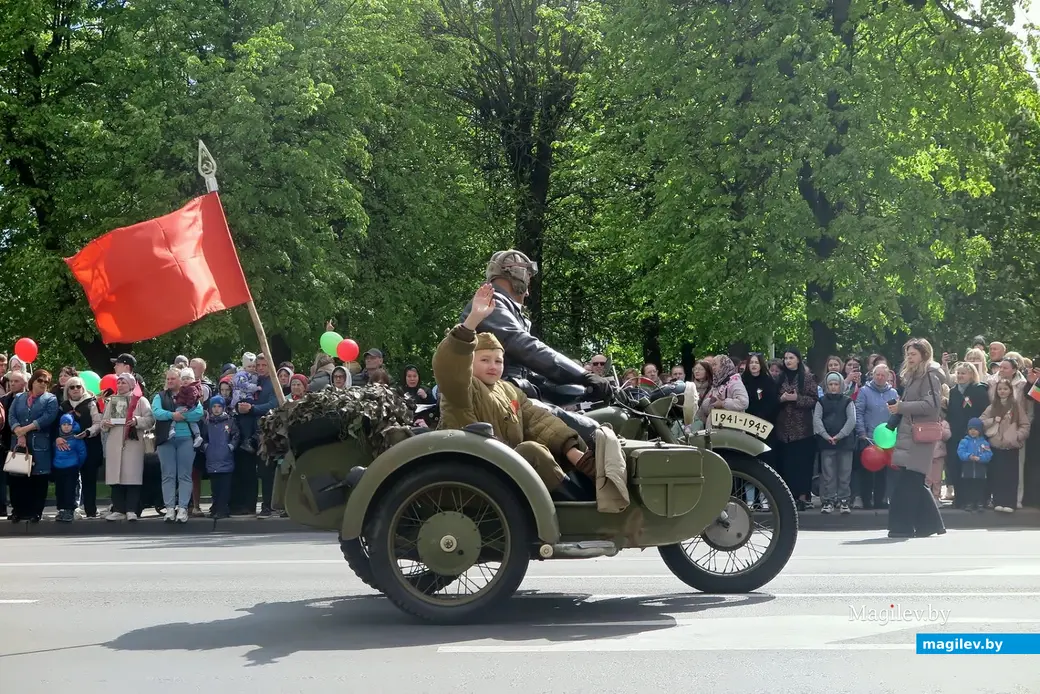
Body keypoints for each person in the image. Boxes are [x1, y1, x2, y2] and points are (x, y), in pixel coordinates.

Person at [436, 283, 594, 501]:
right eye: (484, 360)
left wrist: (573, 451)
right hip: (471, 467)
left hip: (501, 467)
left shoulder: (510, 391)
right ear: (470, 363)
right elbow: (452, 366)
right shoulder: (462, 386)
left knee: (539, 447)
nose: (493, 366)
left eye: (498, 361)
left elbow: (540, 423)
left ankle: (586, 500)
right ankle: (581, 511)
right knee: (531, 452)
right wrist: (472, 320)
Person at [459, 250, 612, 444]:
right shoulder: (491, 304)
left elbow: (526, 372)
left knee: (589, 421)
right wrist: (583, 375)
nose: (529, 285)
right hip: (497, 397)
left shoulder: (504, 306)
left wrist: (581, 387)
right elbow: (525, 346)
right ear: (516, 273)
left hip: (509, 392)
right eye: (528, 276)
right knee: (592, 431)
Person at [887, 338, 946, 538]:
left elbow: (931, 405)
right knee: (913, 481)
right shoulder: (915, 375)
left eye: (913, 354)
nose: (909, 358)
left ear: (924, 354)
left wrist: (901, 407)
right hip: (910, 435)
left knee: (911, 481)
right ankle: (929, 525)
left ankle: (903, 526)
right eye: (908, 354)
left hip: (919, 436)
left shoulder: (929, 375)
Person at [152, 367, 204, 523]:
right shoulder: (160, 396)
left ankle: (182, 509)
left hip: (186, 438)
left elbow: (199, 412)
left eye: (172, 379)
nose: (169, 381)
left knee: (185, 475)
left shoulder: (191, 394)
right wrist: (172, 415)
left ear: (180, 380)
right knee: (168, 475)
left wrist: (182, 416)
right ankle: (169, 509)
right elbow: (156, 412)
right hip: (165, 440)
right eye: (167, 379)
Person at [7, 369, 59, 522]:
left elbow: (48, 417)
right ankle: (18, 511)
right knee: (18, 477)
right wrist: (19, 431)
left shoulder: (50, 399)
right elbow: (12, 415)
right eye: (40, 381)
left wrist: (27, 428)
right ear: (33, 381)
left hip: (39, 443)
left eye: (46, 382)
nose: (43, 384)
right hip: (20, 442)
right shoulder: (19, 397)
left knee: (38, 478)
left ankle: (36, 511)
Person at [774, 348, 818, 510]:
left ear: (798, 360)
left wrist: (797, 399)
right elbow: (773, 400)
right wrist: (782, 399)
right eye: (785, 358)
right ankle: (789, 497)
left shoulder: (806, 378)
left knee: (802, 464)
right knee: (787, 464)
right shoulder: (779, 378)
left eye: (791, 358)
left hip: (802, 429)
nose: (788, 361)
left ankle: (803, 497)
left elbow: (814, 399)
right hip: (783, 429)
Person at [980, 378, 1030, 513]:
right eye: (1000, 389)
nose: (1002, 391)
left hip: (1011, 447)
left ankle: (1010, 502)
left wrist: (1017, 436)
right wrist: (992, 420)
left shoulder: (1016, 407)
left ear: (1010, 390)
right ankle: (998, 501)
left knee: (1011, 476)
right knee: (997, 475)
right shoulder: (992, 407)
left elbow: (1025, 425)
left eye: (1005, 389)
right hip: (995, 446)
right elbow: (981, 422)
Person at [814, 372, 857, 514]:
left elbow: (852, 420)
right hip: (826, 443)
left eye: (836, 384)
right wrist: (826, 436)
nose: (833, 387)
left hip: (845, 444)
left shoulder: (847, 401)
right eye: (831, 384)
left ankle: (844, 500)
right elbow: (817, 420)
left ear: (841, 385)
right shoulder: (821, 401)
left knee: (845, 473)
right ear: (827, 386)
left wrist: (840, 436)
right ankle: (829, 500)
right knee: (828, 474)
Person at [202, 395, 239, 519]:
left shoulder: (229, 421)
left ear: (223, 407)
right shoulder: (207, 423)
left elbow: (235, 435)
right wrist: (206, 447)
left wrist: (231, 446)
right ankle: (216, 507)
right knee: (215, 487)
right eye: (214, 406)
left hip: (225, 458)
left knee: (225, 487)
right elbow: (203, 437)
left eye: (219, 406)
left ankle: (223, 509)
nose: (216, 409)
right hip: (212, 459)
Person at [51, 414, 87, 522]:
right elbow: (53, 452)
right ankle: (61, 509)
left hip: (72, 468)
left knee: (70, 489)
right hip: (58, 468)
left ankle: (70, 509)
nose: (66, 427)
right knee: (60, 490)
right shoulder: (56, 440)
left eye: (69, 424)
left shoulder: (76, 439)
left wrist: (77, 464)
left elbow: (82, 453)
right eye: (64, 424)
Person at [956, 417, 992, 512]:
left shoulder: (984, 443)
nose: (973, 431)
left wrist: (980, 458)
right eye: (971, 429)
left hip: (980, 470)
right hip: (968, 469)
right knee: (968, 487)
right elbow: (960, 452)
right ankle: (969, 503)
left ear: (980, 431)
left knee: (979, 487)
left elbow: (988, 455)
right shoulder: (964, 441)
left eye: (975, 429)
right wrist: (969, 456)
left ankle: (980, 502)